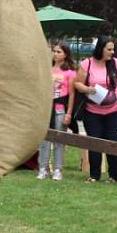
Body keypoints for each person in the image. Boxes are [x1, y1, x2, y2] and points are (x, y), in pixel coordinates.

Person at [74, 36, 117, 183]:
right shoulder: (87, 64)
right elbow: (77, 84)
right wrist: (88, 88)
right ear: (101, 49)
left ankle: (113, 176)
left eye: (113, 49)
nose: (112, 52)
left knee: (111, 142)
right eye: (109, 49)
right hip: (92, 111)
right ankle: (94, 175)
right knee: (95, 142)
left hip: (115, 110)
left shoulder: (116, 63)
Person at [37, 41, 76, 181]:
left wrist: (69, 113)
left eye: (59, 51)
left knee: (59, 140)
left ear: (65, 54)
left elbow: (72, 94)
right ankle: (43, 168)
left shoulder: (70, 72)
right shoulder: (47, 70)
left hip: (60, 108)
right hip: (46, 108)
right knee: (44, 139)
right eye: (54, 51)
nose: (55, 54)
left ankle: (58, 169)